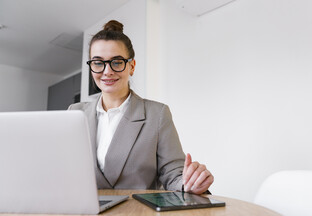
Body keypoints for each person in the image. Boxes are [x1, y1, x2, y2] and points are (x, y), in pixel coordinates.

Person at [68, 20, 213, 194]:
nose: (107, 71)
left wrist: (190, 182)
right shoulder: (74, 113)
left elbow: (174, 175)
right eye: (98, 63)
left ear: (132, 66)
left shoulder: (157, 114)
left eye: (117, 61)